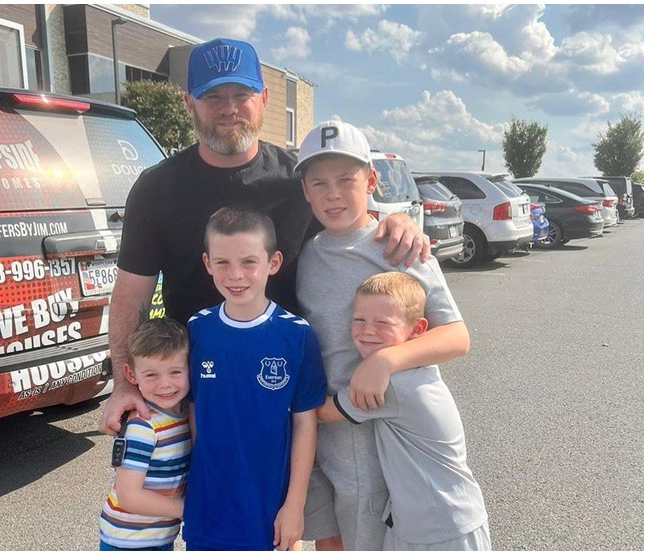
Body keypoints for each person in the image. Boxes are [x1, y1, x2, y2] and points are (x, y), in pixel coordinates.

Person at [100, 37, 430, 437]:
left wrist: (395, 223)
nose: (229, 108)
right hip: (193, 394)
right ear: (189, 103)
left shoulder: (298, 181)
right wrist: (124, 385)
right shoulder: (156, 188)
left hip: (290, 390)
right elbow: (131, 294)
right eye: (212, 96)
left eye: (242, 94)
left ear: (264, 99)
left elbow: (350, 226)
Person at [294, 118, 471, 550]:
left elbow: (456, 336)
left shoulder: (399, 248)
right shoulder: (306, 254)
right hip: (317, 438)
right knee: (326, 542)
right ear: (305, 191)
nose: (333, 194)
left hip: (371, 449)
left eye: (346, 180)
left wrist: (386, 361)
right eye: (319, 183)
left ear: (371, 181)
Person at [183, 206, 327, 550]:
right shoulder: (197, 329)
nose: (235, 275)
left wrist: (294, 505)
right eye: (222, 263)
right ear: (207, 264)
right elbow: (193, 408)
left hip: (269, 502)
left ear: (273, 263)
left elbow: (305, 423)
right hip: (209, 502)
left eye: (249, 262)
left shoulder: (297, 334)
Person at [317, 272, 490, 550]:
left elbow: (324, 413)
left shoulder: (393, 385)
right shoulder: (415, 368)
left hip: (444, 529)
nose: (367, 330)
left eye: (383, 323)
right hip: (425, 521)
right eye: (359, 320)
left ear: (418, 329)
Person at [98, 318, 191, 551]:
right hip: (128, 541)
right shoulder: (143, 427)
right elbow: (129, 496)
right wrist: (188, 509)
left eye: (175, 372)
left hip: (160, 537)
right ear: (131, 375)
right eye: (151, 375)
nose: (165, 384)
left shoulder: (184, 416)